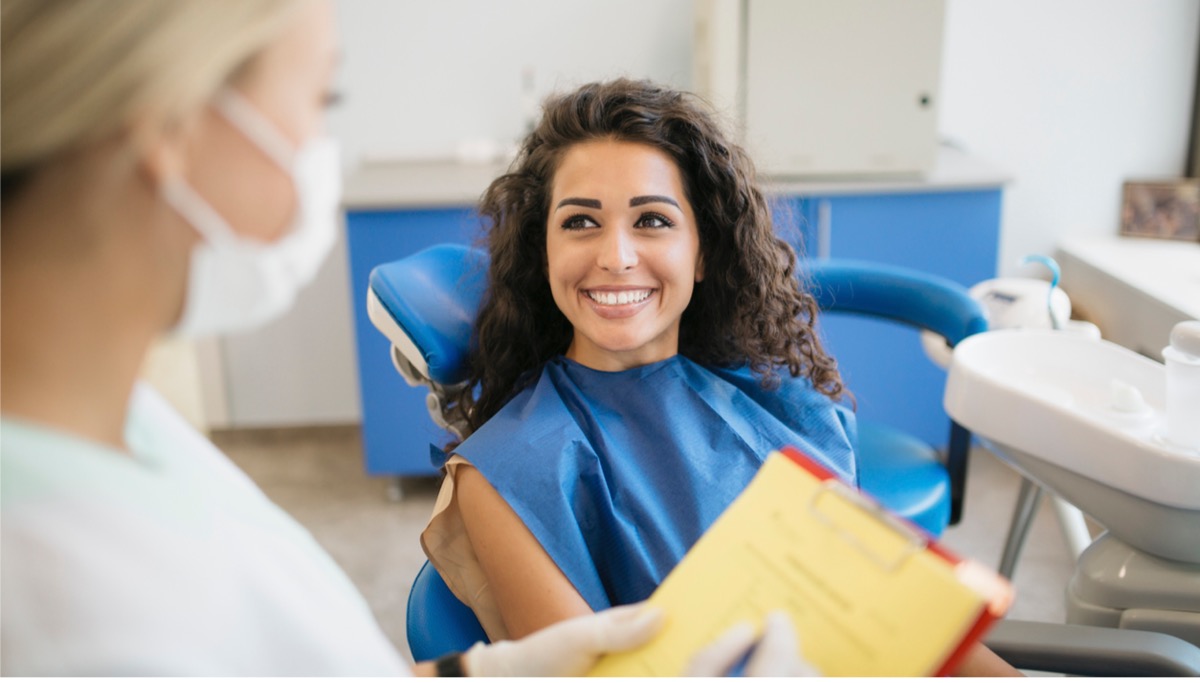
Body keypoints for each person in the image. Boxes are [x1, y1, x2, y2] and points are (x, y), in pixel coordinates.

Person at [0, 1, 804, 676]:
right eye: (324, 99)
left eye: (654, 219)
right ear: (169, 127)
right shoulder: (58, 591)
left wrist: (473, 672)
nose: (322, 152)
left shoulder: (120, 429)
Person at [421, 78, 1021, 676]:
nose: (616, 256)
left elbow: (896, 621)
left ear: (703, 251)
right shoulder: (505, 474)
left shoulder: (782, 401)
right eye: (580, 223)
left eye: (652, 220)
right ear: (542, 250)